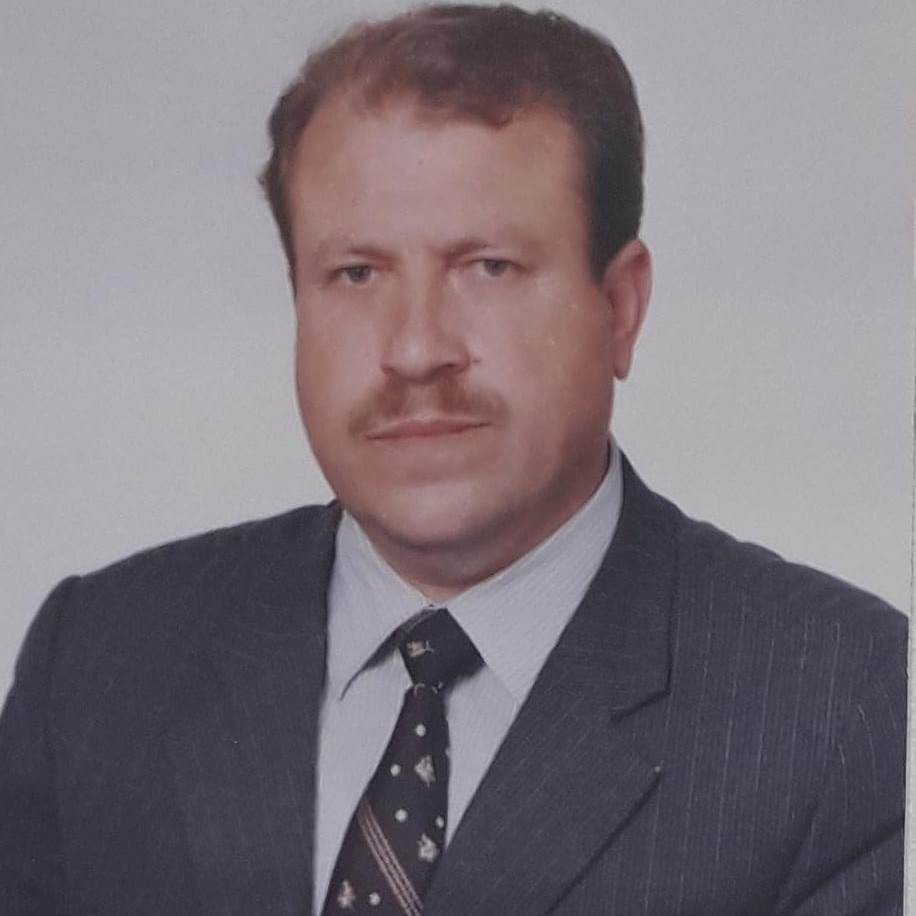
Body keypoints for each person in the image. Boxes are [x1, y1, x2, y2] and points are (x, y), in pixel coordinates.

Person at [0, 4, 906, 915]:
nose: (415, 350)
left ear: (621, 307)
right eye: (357, 273)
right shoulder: (99, 661)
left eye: (488, 267)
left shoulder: (848, 709)